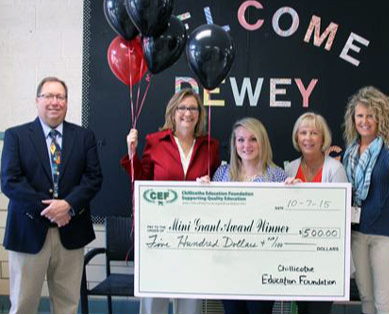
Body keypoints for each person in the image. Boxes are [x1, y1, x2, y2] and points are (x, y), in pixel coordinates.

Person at [1, 77, 103, 314]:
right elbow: (10, 181)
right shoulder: (16, 136)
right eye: (48, 96)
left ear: (67, 102)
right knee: (23, 306)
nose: (54, 102)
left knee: (67, 306)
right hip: (27, 231)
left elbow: (93, 178)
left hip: (71, 231)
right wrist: (50, 209)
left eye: (60, 97)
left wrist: (68, 205)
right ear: (37, 101)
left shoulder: (84, 137)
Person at [121, 88, 221, 314]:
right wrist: (131, 153)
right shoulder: (155, 142)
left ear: (199, 114)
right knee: (154, 299)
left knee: (190, 301)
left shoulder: (210, 146)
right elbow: (142, 181)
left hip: (196, 234)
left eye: (193, 108)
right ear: (173, 112)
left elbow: (217, 185)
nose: (187, 113)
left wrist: (211, 185)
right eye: (182, 108)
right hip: (159, 233)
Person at [342, 86, 389, 314]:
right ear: (353, 119)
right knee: (366, 296)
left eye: (370, 115)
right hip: (358, 234)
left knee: (384, 300)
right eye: (360, 116)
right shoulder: (351, 151)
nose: (364, 121)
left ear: (380, 116)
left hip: (386, 237)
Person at [211, 117, 287, 314]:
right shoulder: (221, 174)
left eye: (253, 139)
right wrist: (203, 190)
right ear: (234, 143)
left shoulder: (278, 176)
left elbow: (286, 219)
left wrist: (294, 193)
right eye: (241, 140)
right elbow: (211, 215)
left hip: (263, 264)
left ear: (262, 142)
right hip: (229, 263)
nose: (246, 145)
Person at [284, 112, 347, 314]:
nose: (308, 138)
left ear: (323, 139)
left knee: (318, 310)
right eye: (303, 133)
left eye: (314, 133)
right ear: (296, 137)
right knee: (302, 309)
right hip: (297, 254)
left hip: (324, 255)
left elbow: (340, 216)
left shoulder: (335, 169)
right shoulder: (290, 169)